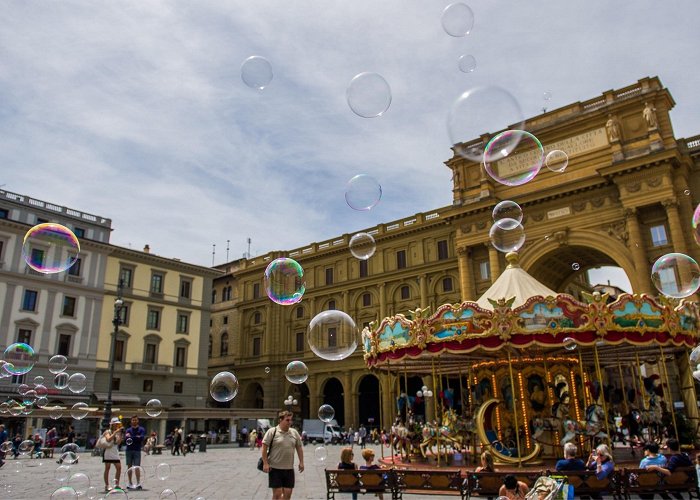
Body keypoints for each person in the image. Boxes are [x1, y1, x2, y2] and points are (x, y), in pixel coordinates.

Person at [261, 411, 304, 500]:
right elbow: (264, 447)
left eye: (291, 420)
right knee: (277, 494)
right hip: (275, 468)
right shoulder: (272, 431)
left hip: (289, 469)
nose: (290, 422)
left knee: (288, 494)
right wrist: (265, 463)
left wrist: (301, 462)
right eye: (287, 420)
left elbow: (299, 448)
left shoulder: (294, 432)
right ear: (280, 420)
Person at [102, 417, 124, 492]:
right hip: (108, 451)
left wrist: (120, 434)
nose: (117, 425)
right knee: (107, 468)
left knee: (119, 467)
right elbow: (108, 439)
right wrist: (115, 432)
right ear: (112, 424)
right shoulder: (107, 431)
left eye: (118, 424)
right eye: (116, 424)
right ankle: (107, 485)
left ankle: (116, 484)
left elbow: (118, 443)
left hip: (115, 451)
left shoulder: (117, 432)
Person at [124, 415, 146, 490]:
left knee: (137, 467)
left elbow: (142, 438)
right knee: (129, 467)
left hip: (137, 450)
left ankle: (138, 483)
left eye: (135, 420)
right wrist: (137, 437)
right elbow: (126, 439)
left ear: (138, 421)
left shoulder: (141, 429)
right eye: (133, 420)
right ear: (131, 421)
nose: (134, 421)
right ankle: (130, 482)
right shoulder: (128, 430)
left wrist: (131, 437)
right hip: (129, 450)